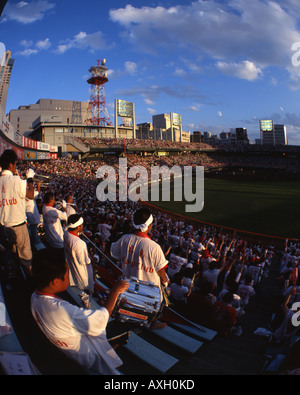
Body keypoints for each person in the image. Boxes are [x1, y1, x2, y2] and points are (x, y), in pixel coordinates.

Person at [30, 247, 129, 375]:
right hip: (87, 356)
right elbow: (102, 318)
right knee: (125, 325)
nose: (69, 275)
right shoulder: (61, 310)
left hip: (67, 348)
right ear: (55, 282)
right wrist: (115, 291)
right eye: (67, 273)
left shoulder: (34, 297)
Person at [110, 207, 168, 329]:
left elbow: (115, 255)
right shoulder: (154, 247)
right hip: (148, 291)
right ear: (150, 225)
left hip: (128, 286)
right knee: (159, 300)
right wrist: (165, 281)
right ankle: (152, 323)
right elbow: (161, 270)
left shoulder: (124, 239)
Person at [0, 149, 35, 274]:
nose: (16, 167)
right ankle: (29, 284)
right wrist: (30, 179)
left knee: (12, 257)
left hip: (4, 227)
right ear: (11, 164)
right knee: (26, 259)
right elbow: (30, 195)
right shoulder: (15, 180)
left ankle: (16, 279)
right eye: (15, 164)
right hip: (18, 226)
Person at [64, 214, 94, 294]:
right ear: (78, 227)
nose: (82, 226)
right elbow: (84, 262)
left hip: (72, 269)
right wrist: (91, 258)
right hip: (82, 276)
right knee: (85, 290)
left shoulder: (66, 233)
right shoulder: (80, 243)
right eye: (81, 225)